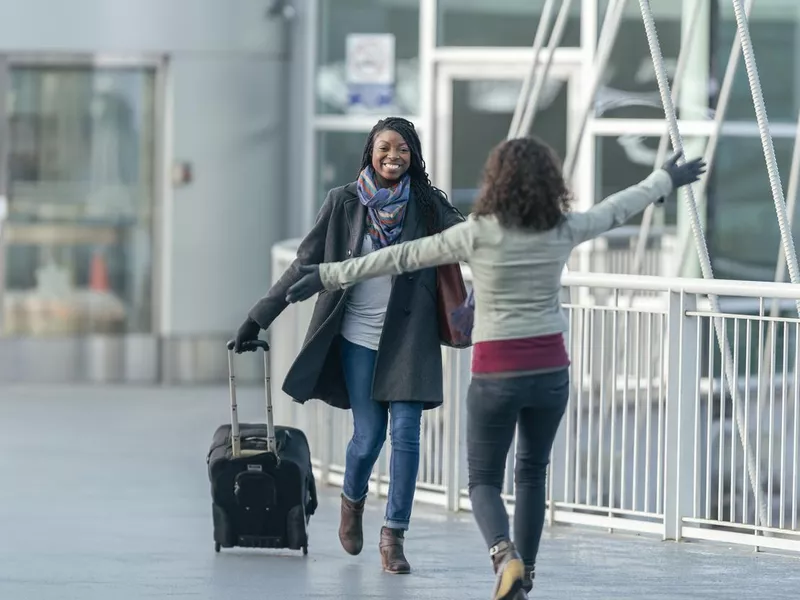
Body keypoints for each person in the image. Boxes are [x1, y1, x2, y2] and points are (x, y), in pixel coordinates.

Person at [284, 137, 706, 600]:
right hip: (550, 372)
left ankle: (504, 557)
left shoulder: (478, 233)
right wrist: (664, 179)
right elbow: (615, 209)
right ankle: (524, 575)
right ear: (550, 183)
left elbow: (401, 256)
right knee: (532, 471)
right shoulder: (562, 229)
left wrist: (326, 275)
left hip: (496, 373)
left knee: (484, 479)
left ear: (496, 183)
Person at [233, 117, 464, 574]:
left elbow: (470, 238)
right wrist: (258, 317)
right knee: (368, 437)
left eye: (402, 149)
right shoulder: (343, 203)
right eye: (384, 148)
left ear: (414, 156)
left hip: (410, 339)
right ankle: (353, 502)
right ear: (370, 152)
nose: (393, 156)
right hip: (357, 337)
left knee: (407, 436)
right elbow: (304, 265)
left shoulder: (428, 205)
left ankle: (393, 536)